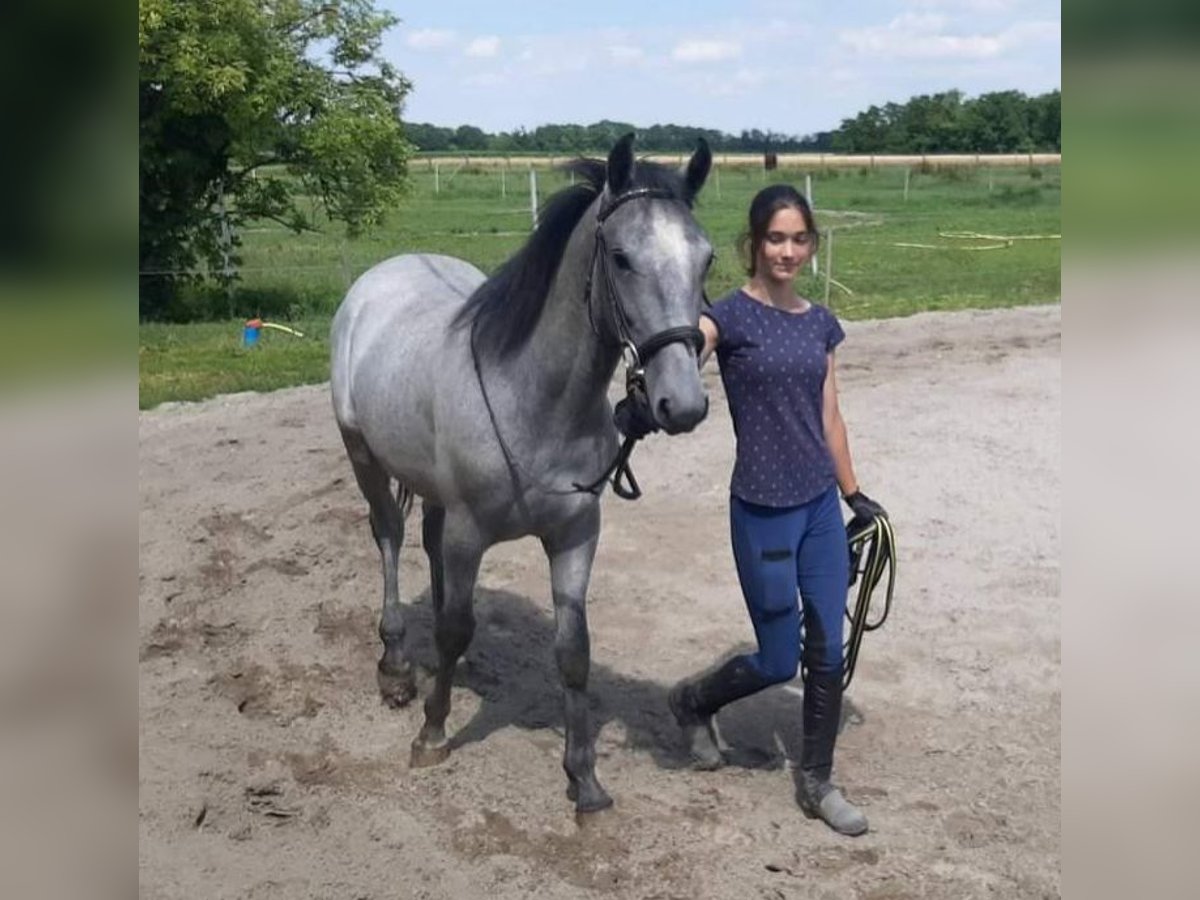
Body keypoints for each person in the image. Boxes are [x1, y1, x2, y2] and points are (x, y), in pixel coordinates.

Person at [623, 184, 887, 836]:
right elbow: (684, 350)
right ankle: (692, 700)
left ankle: (818, 781)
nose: (787, 250)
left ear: (812, 245)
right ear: (753, 244)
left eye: (799, 238)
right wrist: (641, 400)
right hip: (762, 512)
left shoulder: (822, 323)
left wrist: (855, 495)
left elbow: (830, 416)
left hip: (820, 509)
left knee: (825, 652)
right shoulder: (729, 318)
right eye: (776, 238)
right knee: (777, 661)